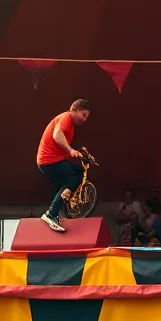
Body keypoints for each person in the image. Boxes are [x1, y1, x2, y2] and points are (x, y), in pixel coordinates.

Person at [35, 99, 92, 233]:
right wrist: (71, 150)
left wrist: (84, 155)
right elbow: (57, 135)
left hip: (54, 160)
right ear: (75, 110)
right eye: (83, 115)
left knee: (79, 171)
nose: (84, 119)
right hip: (49, 161)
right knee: (73, 180)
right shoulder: (66, 117)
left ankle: (56, 210)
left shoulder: (70, 125)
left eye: (87, 117)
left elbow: (62, 147)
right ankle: (51, 214)